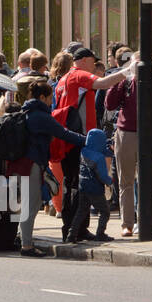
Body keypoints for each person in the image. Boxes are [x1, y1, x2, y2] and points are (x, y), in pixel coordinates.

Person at [52, 47, 126, 241]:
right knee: (79, 185)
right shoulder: (79, 75)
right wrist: (127, 71)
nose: (94, 66)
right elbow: (103, 83)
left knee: (72, 183)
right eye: (93, 61)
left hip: (67, 138)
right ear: (84, 60)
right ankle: (75, 230)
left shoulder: (63, 79)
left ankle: (73, 228)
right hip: (80, 138)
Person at [12, 78, 87, 255]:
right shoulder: (40, 116)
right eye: (50, 97)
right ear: (44, 97)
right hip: (32, 163)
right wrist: (88, 140)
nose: (51, 101)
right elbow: (63, 133)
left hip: (21, 163)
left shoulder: (27, 111)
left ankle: (21, 238)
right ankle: (27, 246)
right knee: (32, 204)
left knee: (26, 203)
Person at [105, 57, 152, 236]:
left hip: (148, 136)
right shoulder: (125, 83)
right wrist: (123, 76)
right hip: (125, 134)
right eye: (135, 65)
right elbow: (109, 103)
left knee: (147, 181)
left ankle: (145, 221)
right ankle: (127, 224)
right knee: (125, 181)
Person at [70, 129, 114, 242]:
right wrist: (110, 181)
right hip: (95, 189)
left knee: (81, 211)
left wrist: (109, 150)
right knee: (105, 212)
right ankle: (100, 233)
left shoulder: (84, 151)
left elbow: (99, 150)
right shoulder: (99, 158)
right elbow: (102, 176)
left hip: (83, 187)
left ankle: (72, 234)